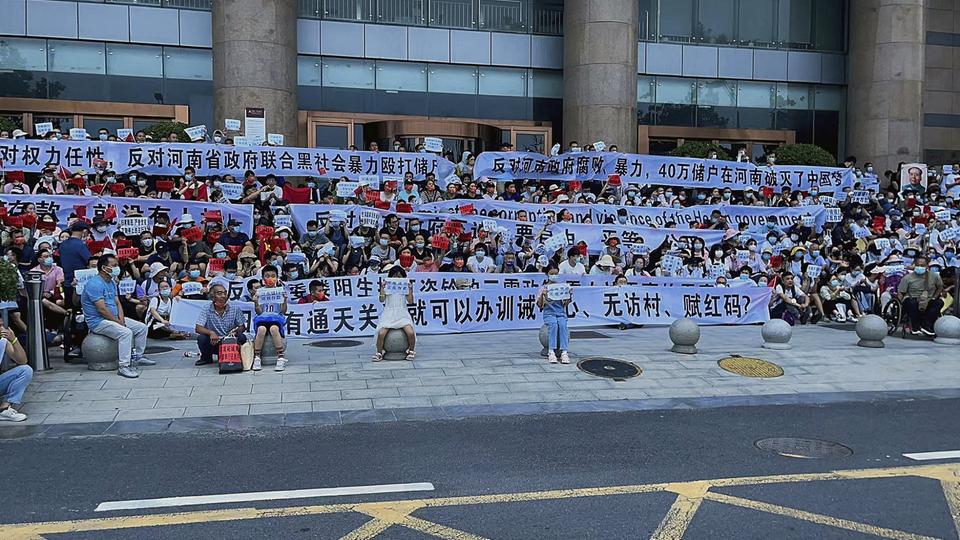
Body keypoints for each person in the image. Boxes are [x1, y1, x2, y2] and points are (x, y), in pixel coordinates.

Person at [80, 254, 152, 378]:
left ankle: (138, 357)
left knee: (141, 328)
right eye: (114, 265)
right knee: (126, 333)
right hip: (98, 322)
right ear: (104, 268)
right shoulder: (94, 284)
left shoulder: (112, 282)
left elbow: (117, 303)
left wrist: (121, 320)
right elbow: (102, 309)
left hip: (114, 318)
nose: (117, 268)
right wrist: (118, 322)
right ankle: (124, 366)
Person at [194, 283, 247, 366]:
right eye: (219, 293)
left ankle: (235, 357)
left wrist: (236, 332)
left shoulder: (235, 308)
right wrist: (211, 333)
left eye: (225, 293)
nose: (223, 296)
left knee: (242, 337)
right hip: (214, 341)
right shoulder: (206, 308)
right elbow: (198, 328)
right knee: (202, 338)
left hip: (230, 342)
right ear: (212, 297)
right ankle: (206, 358)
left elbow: (242, 327)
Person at [372, 264, 416, 362]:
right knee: (381, 333)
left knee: (410, 332)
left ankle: (411, 350)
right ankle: (379, 352)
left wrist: (410, 289)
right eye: (394, 276)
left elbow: (410, 301)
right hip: (389, 314)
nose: (397, 278)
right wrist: (382, 288)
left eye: (399, 276)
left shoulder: (404, 287)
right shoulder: (387, 286)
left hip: (402, 314)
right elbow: (381, 299)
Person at [251, 265, 288, 371]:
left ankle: (280, 357)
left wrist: (285, 300)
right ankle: (257, 357)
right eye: (267, 276)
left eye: (273, 276)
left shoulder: (280, 291)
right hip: (263, 319)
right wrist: (256, 303)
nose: (270, 278)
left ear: (277, 278)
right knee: (261, 329)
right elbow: (259, 312)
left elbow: (283, 311)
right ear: (263, 279)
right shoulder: (260, 292)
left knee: (274, 329)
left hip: (276, 319)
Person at [897, 255, 944, 336]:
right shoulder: (907, 278)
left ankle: (926, 325)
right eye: (918, 265)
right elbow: (901, 292)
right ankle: (915, 326)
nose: (920, 267)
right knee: (912, 303)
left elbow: (940, 287)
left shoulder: (934, 276)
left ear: (927, 266)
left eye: (922, 265)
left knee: (939, 302)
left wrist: (934, 297)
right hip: (913, 298)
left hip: (928, 299)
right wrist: (898, 305)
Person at [536, 265, 571, 364]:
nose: (554, 275)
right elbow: (540, 305)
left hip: (560, 313)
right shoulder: (544, 288)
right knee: (553, 325)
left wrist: (569, 295)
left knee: (563, 325)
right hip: (549, 314)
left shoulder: (561, 287)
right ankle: (551, 351)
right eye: (552, 274)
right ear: (547, 274)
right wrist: (543, 295)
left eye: (556, 273)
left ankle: (564, 351)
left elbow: (565, 304)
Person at [0, 323, 30, 422]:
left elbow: (22, 361)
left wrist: (14, 340)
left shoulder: (3, 341)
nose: (2, 329)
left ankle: (4, 409)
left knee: (25, 370)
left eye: (2, 325)